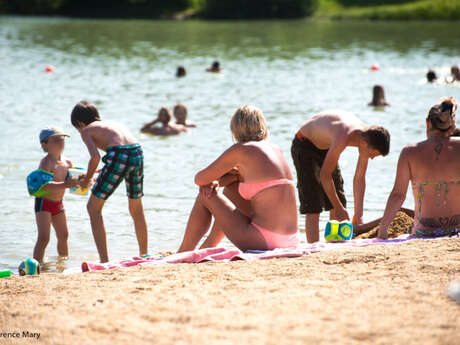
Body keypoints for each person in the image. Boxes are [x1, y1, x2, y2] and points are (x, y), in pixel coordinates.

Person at [178, 105, 298, 252]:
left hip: (264, 240)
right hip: (290, 240)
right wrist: (225, 179)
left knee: (205, 192)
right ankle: (207, 247)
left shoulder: (242, 149)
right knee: (234, 186)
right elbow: (248, 181)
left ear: (235, 129)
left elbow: (200, 179)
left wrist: (215, 182)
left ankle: (183, 251)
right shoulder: (275, 149)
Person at [291, 110, 390, 243]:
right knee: (313, 204)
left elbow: (359, 178)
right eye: (372, 154)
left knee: (338, 198)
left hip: (326, 146)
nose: (371, 158)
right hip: (304, 143)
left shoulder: (368, 136)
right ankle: (313, 247)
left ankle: (332, 242)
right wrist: (338, 208)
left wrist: (358, 215)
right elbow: (325, 176)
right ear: (364, 143)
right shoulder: (343, 136)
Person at [71, 101, 148, 263]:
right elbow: (121, 156)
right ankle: (144, 254)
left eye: (77, 128)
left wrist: (85, 182)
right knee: (136, 208)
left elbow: (96, 158)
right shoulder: (113, 124)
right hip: (137, 151)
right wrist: (93, 175)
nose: (80, 132)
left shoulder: (86, 130)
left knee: (93, 208)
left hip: (119, 155)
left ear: (79, 124)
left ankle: (104, 260)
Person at [378, 97, 460, 239]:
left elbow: (398, 195)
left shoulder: (409, 152)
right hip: (457, 230)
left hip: (425, 232)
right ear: (452, 127)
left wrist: (383, 229)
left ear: (427, 123)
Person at [31, 127, 79, 262]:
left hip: (58, 203)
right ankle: (37, 265)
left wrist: (84, 182)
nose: (61, 142)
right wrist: (66, 185)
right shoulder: (46, 163)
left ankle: (63, 263)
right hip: (44, 203)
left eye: (62, 139)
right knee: (44, 238)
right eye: (56, 140)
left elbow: (75, 181)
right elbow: (45, 185)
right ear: (44, 144)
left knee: (64, 235)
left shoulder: (67, 162)